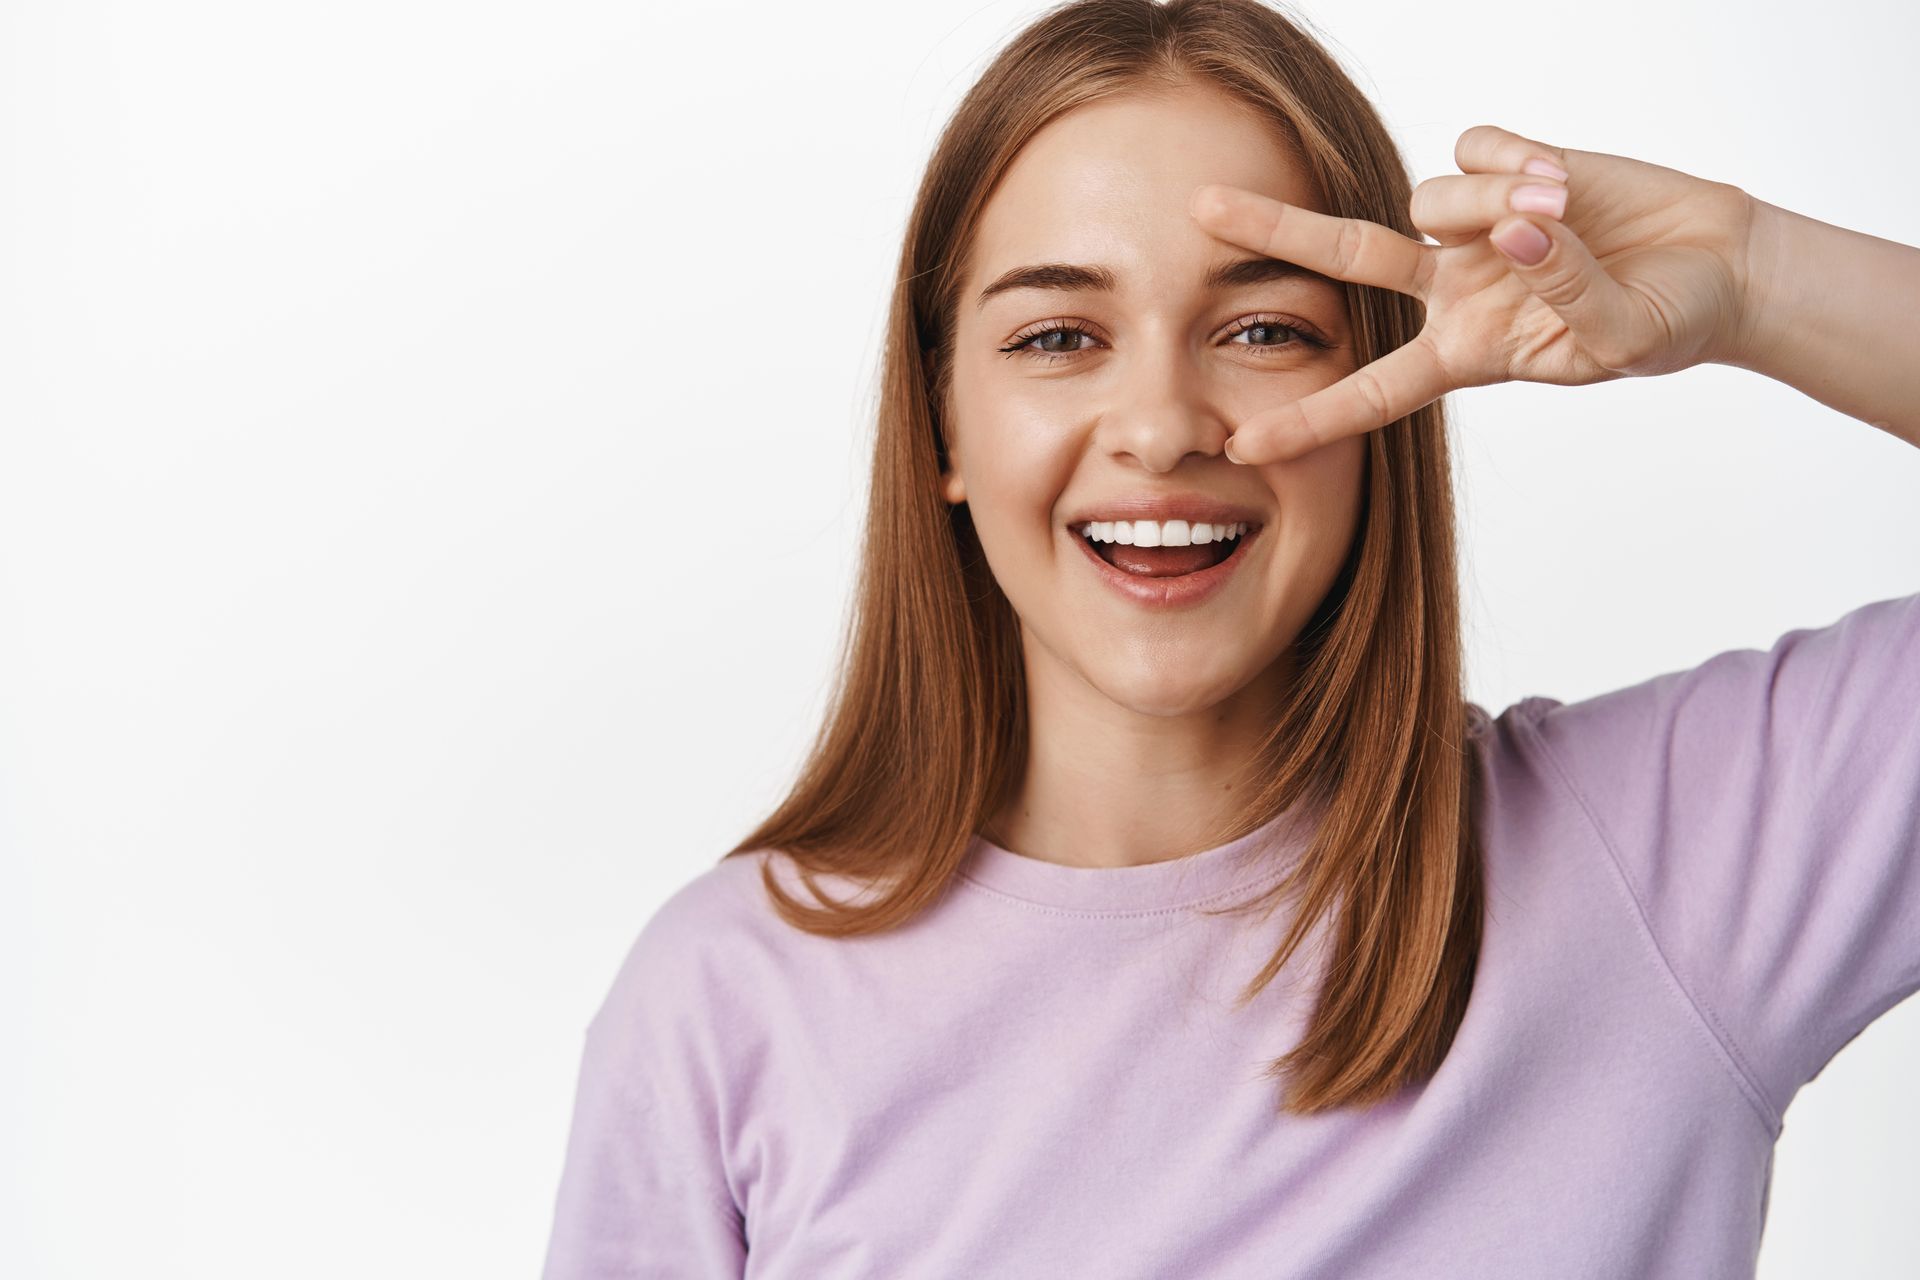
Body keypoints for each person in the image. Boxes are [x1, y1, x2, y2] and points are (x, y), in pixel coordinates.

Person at [540, 0, 1920, 1275]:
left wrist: (1756, 275)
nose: (1158, 426)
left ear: (1389, 394)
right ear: (945, 420)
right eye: (1058, 337)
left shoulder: (1674, 867)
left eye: (1263, 328)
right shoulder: (726, 1004)